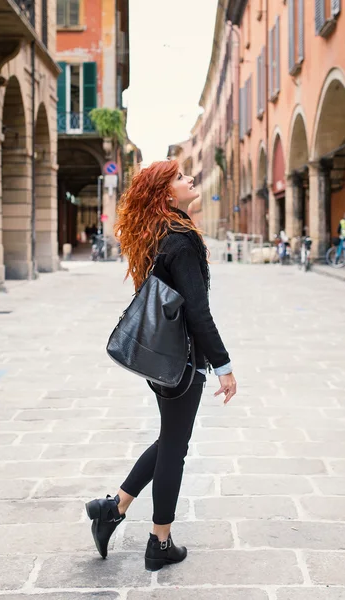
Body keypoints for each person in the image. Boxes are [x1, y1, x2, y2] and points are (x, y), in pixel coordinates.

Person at [85, 160, 237, 571]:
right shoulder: (181, 239)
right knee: (175, 448)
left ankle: (113, 508)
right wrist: (223, 366)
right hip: (182, 362)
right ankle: (160, 541)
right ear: (167, 194)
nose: (191, 179)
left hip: (163, 361)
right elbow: (198, 312)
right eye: (181, 177)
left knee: (170, 439)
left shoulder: (158, 234)